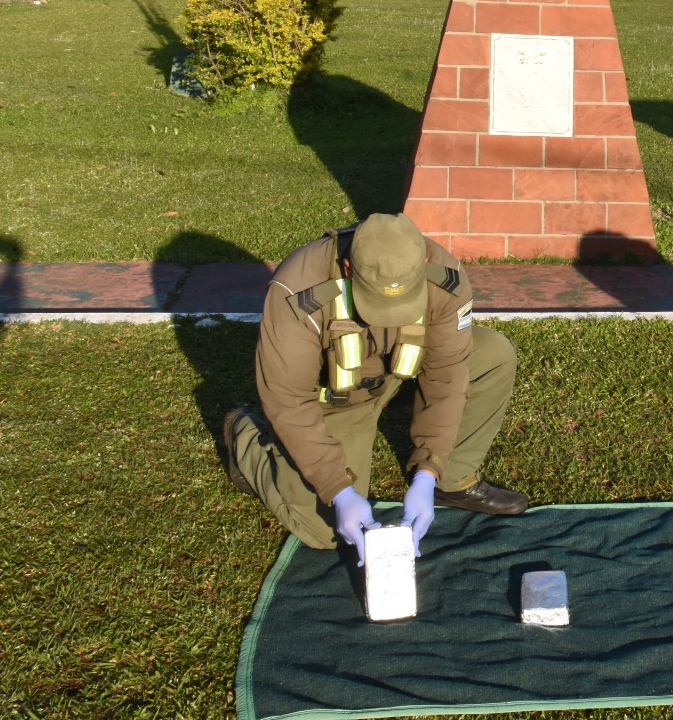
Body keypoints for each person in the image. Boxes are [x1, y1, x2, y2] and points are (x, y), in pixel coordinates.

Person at [222, 213, 526, 563]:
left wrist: (429, 470)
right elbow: (290, 401)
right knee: (325, 531)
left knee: (493, 353)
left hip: (400, 373)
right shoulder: (297, 291)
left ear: (424, 260)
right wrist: (338, 491)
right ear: (349, 269)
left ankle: (450, 480)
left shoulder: (446, 276)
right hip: (339, 399)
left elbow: (446, 374)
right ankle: (246, 437)